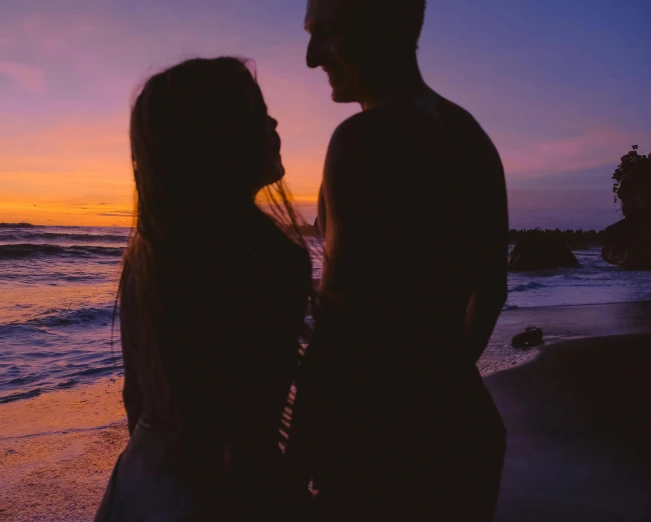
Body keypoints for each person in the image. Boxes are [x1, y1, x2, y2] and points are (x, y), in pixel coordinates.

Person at [286, 0, 509, 520]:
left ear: (390, 25)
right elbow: (491, 292)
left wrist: (294, 465)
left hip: (381, 442)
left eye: (328, 32)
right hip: (463, 427)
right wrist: (441, 382)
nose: (311, 56)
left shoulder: (362, 141)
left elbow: (338, 313)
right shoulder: (471, 135)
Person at [95, 57, 313, 522]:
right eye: (257, 112)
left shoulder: (148, 255)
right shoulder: (272, 257)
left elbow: (137, 400)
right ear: (219, 139)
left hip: (140, 486)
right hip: (223, 497)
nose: (273, 122)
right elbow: (253, 431)